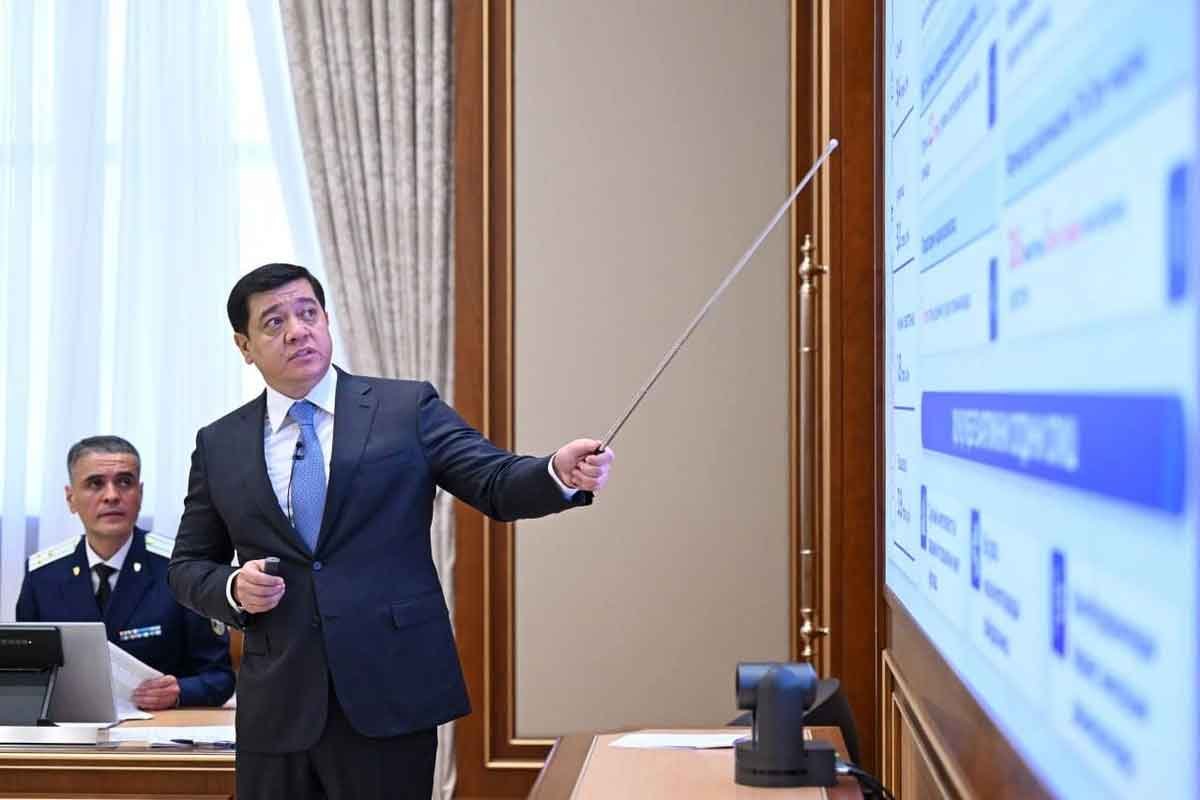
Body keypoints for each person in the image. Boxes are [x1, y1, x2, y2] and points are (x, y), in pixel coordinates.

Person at [167, 263, 613, 799]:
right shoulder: (219, 443)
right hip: (278, 705)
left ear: (326, 320)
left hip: (389, 688)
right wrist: (232, 588)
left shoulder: (404, 408)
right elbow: (187, 565)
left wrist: (554, 473)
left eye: (308, 313)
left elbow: (493, 480)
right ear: (244, 346)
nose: (297, 331)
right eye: (274, 322)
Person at [16, 436, 235, 710]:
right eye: (95, 483)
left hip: (159, 728)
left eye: (124, 482)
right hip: (74, 728)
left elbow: (220, 678)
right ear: (71, 498)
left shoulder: (182, 568)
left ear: (139, 494)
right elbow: (26, 676)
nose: (111, 495)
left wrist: (180, 691)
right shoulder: (43, 575)